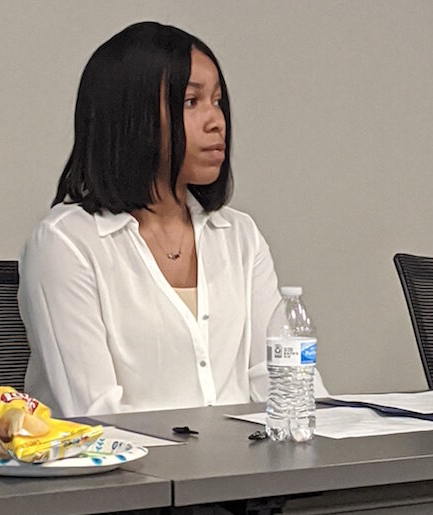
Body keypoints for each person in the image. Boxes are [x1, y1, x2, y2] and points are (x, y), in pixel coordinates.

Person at [18, 21, 326, 417]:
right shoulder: (65, 243)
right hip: (129, 474)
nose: (216, 121)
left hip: (245, 470)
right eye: (191, 102)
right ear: (132, 117)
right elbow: (94, 412)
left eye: (217, 101)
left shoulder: (240, 236)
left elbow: (282, 383)